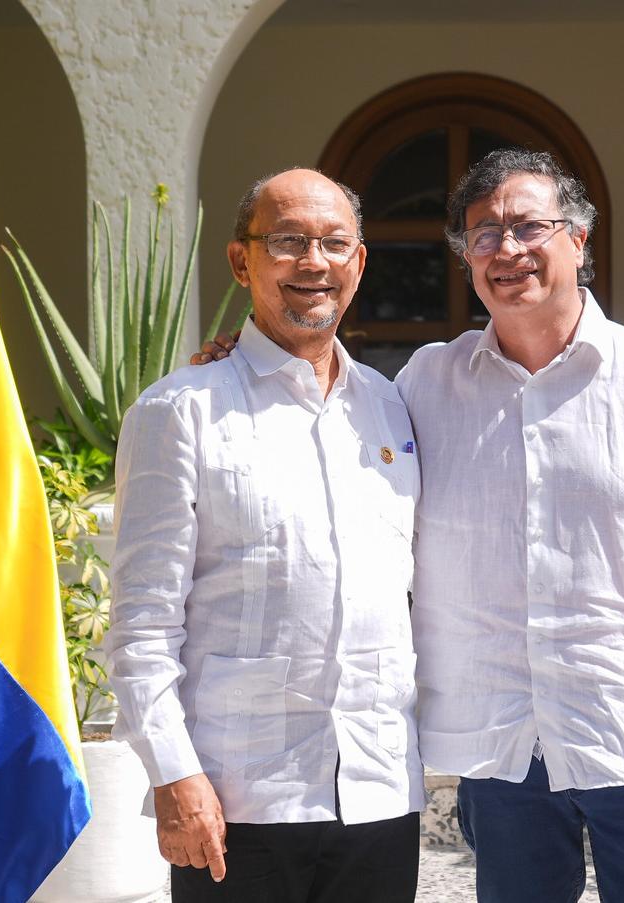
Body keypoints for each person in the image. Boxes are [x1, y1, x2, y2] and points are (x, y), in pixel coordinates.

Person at [195, 149, 624, 902]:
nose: (506, 249)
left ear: (579, 241)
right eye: (483, 234)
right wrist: (231, 366)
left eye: (528, 226)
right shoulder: (422, 386)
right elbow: (318, 419)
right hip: (500, 754)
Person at [108, 168, 423, 903]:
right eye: (287, 241)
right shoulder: (179, 412)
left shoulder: (391, 408)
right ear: (240, 261)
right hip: (237, 796)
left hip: (378, 787)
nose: (313, 262)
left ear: (359, 263)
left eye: (334, 243)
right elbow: (142, 623)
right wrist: (173, 774)